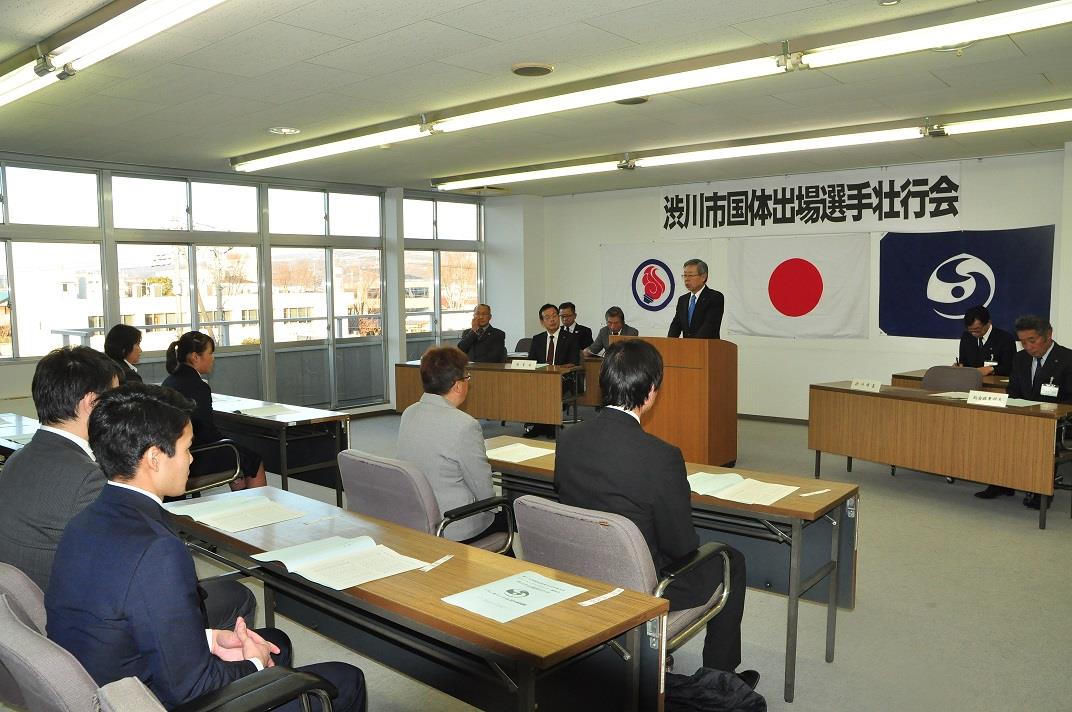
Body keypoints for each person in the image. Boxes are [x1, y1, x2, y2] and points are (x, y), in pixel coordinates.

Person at [45, 383, 366, 712]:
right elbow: (190, 687)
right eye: (186, 448)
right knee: (344, 679)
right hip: (153, 699)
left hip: (115, 678)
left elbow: (129, 624)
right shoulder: (157, 552)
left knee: (276, 644)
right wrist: (253, 666)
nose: (191, 460)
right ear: (154, 458)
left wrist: (212, 638)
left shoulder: (86, 520)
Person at [0, 346, 256, 630]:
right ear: (91, 403)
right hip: (76, 624)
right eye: (115, 398)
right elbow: (140, 572)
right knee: (237, 595)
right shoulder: (91, 479)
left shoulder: (18, 460)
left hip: (21, 615)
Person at [555, 339, 756, 687]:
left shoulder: (568, 439)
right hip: (643, 584)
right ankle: (721, 679)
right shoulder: (661, 456)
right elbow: (681, 545)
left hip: (581, 569)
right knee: (730, 559)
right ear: (650, 392)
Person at [396, 347, 506, 542]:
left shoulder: (409, 412)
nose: (468, 383)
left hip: (417, 517)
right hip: (452, 523)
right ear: (457, 385)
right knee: (505, 514)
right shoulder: (464, 425)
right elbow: (482, 486)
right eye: (467, 378)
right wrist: (495, 507)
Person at [976, 315, 1072, 508]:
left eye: (1032, 341)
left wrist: (1048, 413)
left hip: (1057, 422)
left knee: (1040, 435)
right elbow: (1014, 392)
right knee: (997, 429)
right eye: (1023, 342)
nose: (1028, 347)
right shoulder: (1020, 359)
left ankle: (1040, 490)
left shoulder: (1067, 359)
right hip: (1024, 416)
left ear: (1049, 335)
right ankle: (1001, 482)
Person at [162, 331, 267, 490]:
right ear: (195, 357)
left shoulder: (169, 381)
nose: (213, 358)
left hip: (174, 453)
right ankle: (260, 511)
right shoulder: (198, 387)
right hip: (195, 454)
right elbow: (206, 432)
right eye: (210, 353)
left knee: (239, 459)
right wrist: (229, 442)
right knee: (253, 461)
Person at [525, 304, 581, 438]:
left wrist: (557, 371)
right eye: (547, 317)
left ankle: (550, 425)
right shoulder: (537, 339)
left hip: (564, 378)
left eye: (555, 316)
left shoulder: (570, 338)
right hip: (540, 378)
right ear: (542, 321)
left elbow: (574, 362)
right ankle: (538, 424)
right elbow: (531, 362)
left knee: (549, 387)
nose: (552, 320)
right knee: (528, 386)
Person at [667, 258, 724, 339]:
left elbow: (709, 326)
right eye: (685, 275)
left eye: (690, 275)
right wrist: (669, 342)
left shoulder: (715, 297)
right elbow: (676, 325)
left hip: (706, 348)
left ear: (703, 277)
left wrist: (692, 345)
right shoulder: (683, 300)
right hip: (687, 348)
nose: (686, 279)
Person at [957, 305, 1015, 376]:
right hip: (971, 382)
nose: (973, 333)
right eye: (970, 330)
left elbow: (1009, 368)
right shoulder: (966, 337)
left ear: (988, 322)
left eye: (977, 329)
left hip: (995, 384)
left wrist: (992, 369)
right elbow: (963, 362)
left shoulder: (1006, 339)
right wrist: (959, 367)